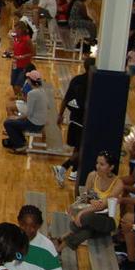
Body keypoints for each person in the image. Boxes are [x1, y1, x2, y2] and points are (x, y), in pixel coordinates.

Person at [56, 151, 124, 251]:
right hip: (93, 214)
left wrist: (81, 213)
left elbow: (103, 205)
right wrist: (74, 205)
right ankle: (60, 248)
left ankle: (68, 233)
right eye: (97, 163)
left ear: (111, 167)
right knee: (87, 232)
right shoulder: (92, 176)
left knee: (85, 217)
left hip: (109, 219)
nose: (98, 166)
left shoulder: (118, 184)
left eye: (102, 164)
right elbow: (85, 196)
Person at [52, 58, 94, 187]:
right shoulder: (93, 82)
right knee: (83, 149)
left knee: (78, 147)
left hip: (74, 119)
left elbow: (66, 99)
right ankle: (63, 168)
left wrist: (60, 115)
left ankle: (74, 171)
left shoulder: (76, 80)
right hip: (84, 121)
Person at [2, 70, 47, 153]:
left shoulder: (32, 93)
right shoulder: (43, 90)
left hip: (34, 124)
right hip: (41, 122)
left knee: (8, 123)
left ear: (30, 80)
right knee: (14, 122)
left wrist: (16, 117)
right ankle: (21, 142)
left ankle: (20, 146)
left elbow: (29, 113)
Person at [9, 23, 36, 96]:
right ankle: (18, 99)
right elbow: (12, 48)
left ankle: (22, 100)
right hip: (15, 64)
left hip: (24, 66)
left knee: (18, 85)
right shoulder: (15, 38)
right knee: (13, 84)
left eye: (18, 30)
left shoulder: (27, 39)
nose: (16, 31)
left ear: (22, 30)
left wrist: (22, 57)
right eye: (15, 29)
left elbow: (33, 53)